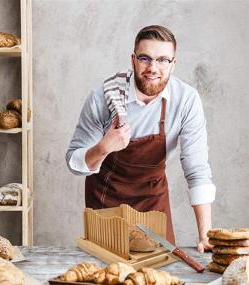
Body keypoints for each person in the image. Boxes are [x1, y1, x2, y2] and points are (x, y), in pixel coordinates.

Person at [66, 25, 216, 252]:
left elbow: (197, 170)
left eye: (163, 60)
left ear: (173, 64)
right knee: (107, 274)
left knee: (160, 275)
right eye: (145, 58)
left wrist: (206, 235)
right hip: (107, 203)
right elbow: (74, 162)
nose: (153, 68)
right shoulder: (105, 96)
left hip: (153, 203)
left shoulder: (185, 100)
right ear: (133, 60)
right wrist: (104, 147)